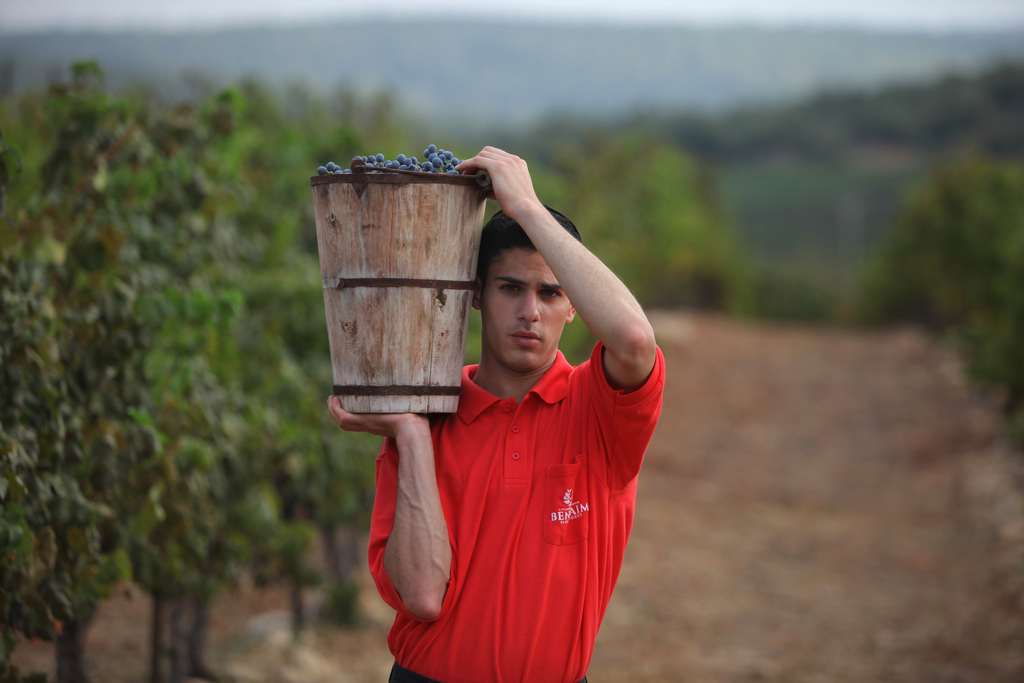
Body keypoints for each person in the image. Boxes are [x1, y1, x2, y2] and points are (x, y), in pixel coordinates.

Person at [328, 147, 665, 683]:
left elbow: (634, 338)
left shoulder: (601, 412)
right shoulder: (425, 414)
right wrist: (412, 437)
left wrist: (526, 206)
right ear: (477, 294)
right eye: (511, 288)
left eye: (551, 293)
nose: (530, 311)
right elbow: (421, 596)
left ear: (574, 303)